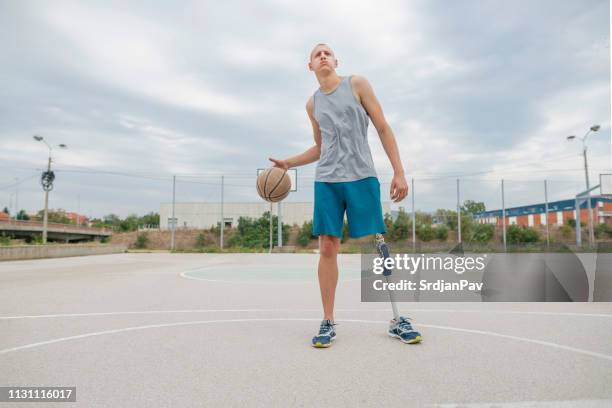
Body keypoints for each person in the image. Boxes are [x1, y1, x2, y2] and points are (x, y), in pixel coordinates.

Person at [269, 43, 422, 347]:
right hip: (327, 179)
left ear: (336, 61)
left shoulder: (357, 84)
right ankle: (327, 321)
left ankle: (397, 319)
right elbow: (320, 147)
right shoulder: (312, 105)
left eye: (327, 52)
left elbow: (382, 127)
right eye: (316, 54)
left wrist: (399, 171)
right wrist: (289, 162)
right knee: (327, 246)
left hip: (361, 174)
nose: (322, 56)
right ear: (310, 66)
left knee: (378, 241)